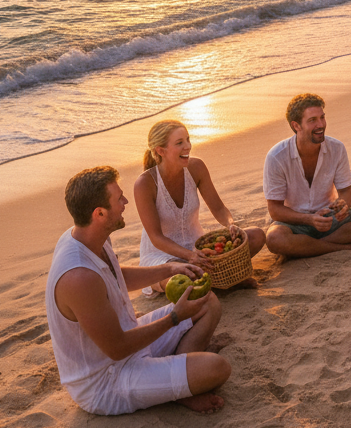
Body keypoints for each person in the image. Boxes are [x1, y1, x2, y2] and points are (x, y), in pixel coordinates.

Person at [45, 165, 231, 415]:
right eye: (118, 198)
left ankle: (176, 376)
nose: (125, 202)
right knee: (217, 368)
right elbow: (118, 349)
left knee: (208, 301)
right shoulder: (79, 277)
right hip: (107, 379)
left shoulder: (85, 236)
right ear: (99, 213)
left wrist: (170, 269)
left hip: (131, 337)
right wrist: (175, 317)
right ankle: (178, 387)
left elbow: (115, 275)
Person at [134, 120, 266, 292]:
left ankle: (212, 281)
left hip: (199, 249)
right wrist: (190, 256)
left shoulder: (196, 167)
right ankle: (221, 280)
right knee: (178, 279)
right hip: (162, 257)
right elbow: (156, 237)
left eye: (188, 139)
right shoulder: (145, 183)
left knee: (255, 235)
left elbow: (219, 209)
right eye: (179, 143)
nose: (187, 146)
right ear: (161, 151)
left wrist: (230, 224)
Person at [263, 93, 351, 258]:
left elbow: (346, 192)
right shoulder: (276, 156)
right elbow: (275, 210)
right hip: (294, 222)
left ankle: (311, 247)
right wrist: (308, 220)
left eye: (322, 117)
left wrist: (344, 205)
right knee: (274, 238)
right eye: (312, 120)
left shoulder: (337, 148)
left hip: (329, 218)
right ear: (296, 126)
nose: (321, 124)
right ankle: (344, 247)